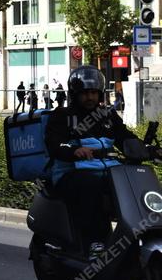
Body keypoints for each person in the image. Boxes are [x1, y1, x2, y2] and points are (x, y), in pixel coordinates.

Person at [44, 66, 144, 257]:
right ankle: (94, 242)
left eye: (93, 93)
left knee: (133, 183)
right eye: (85, 93)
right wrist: (74, 150)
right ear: (75, 94)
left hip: (108, 171)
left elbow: (125, 137)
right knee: (92, 185)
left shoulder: (107, 115)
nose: (90, 97)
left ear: (100, 94)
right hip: (70, 173)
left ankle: (132, 238)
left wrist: (147, 149)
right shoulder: (63, 116)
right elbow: (54, 144)